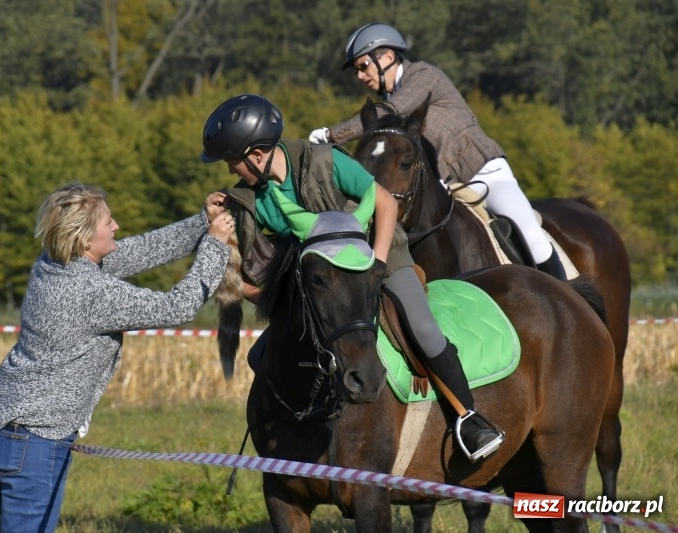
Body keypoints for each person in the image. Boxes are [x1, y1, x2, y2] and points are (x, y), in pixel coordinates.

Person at [200, 93, 504, 462]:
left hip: (381, 257)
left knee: (423, 328)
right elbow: (245, 263)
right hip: (323, 285)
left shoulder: (324, 160)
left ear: (257, 154)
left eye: (233, 161)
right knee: (262, 355)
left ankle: (469, 419)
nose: (232, 171)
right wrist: (215, 217)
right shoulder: (252, 198)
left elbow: (385, 203)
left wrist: (374, 264)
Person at [0, 182, 234, 532]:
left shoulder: (50, 264)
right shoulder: (89, 293)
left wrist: (203, 221)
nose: (116, 227)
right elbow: (177, 306)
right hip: (33, 440)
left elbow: (141, 251)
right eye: (108, 222)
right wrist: (215, 246)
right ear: (82, 238)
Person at [309, 22, 567, 280]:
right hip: (445, 190)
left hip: (484, 174)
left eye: (363, 66)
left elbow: (393, 110)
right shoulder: (389, 102)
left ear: (387, 56)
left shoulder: (422, 76)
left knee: (530, 233)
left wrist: (331, 135)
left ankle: (568, 297)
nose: (360, 76)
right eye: (356, 70)